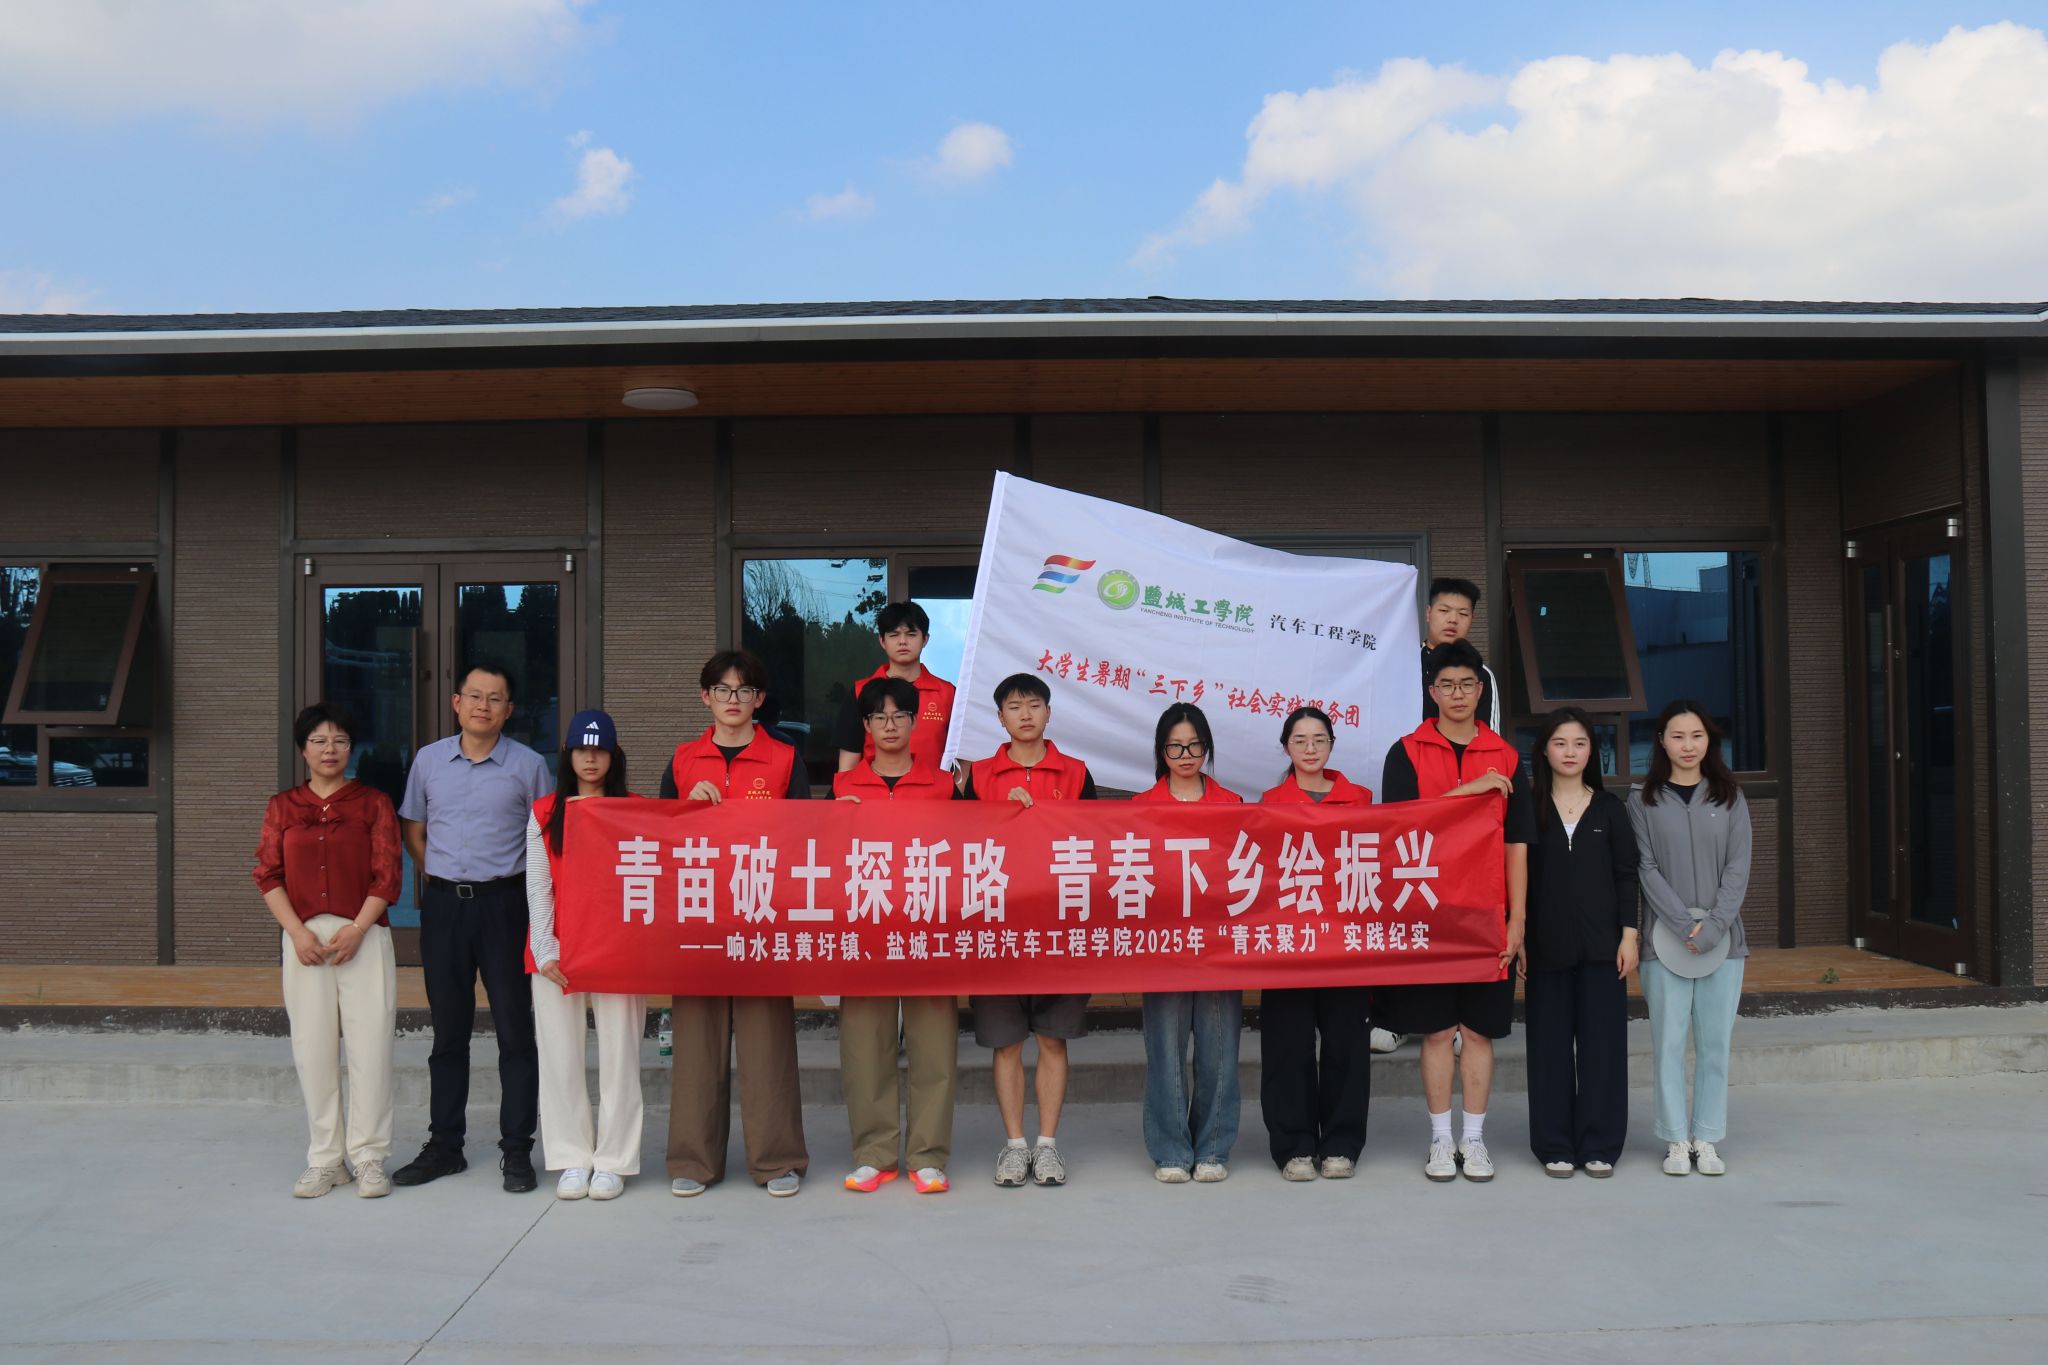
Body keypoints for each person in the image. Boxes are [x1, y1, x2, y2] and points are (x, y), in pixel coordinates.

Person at [392, 663, 554, 1192]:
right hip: (444, 909)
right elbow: (414, 828)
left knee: (515, 1031)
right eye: (475, 696)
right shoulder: (428, 760)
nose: (484, 706)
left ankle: (517, 1149)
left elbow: (546, 841)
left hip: (505, 907)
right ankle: (445, 1146)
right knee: (448, 1032)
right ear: (456, 702)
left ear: (509, 710)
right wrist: (441, 874)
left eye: (495, 698)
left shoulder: (529, 766)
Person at [1378, 640, 1532, 1184]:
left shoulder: (1506, 755)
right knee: (1438, 1031)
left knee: (1480, 1032)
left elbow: (1517, 843)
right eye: (1447, 685)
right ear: (1432, 691)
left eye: (1467, 684)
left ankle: (1475, 1139)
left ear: (1480, 689)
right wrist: (1472, 790)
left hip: (1487, 916)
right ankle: (1441, 1139)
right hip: (1429, 917)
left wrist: (1517, 922)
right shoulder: (1406, 752)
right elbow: (1399, 825)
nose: (1458, 694)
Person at [659, 649, 810, 1197]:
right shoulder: (682, 760)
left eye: (744, 690)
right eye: (722, 690)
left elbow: (804, 840)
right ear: (705, 697)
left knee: (768, 1046)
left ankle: (777, 1159)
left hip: (762, 917)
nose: (733, 699)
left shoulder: (785, 759)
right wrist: (687, 810)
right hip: (700, 919)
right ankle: (693, 1161)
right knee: (697, 1045)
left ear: (759, 699)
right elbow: (660, 841)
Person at [254, 702, 401, 1199]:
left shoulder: (373, 803)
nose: (329, 749)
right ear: (303, 749)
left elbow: (388, 875)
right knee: (312, 1049)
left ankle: (370, 1157)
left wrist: (358, 928)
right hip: (305, 942)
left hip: (364, 935)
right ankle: (325, 1160)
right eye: (319, 740)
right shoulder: (282, 807)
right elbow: (267, 873)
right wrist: (296, 933)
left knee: (371, 1049)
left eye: (339, 740)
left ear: (351, 748)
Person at [963, 672, 1097, 1187]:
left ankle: (1047, 1146)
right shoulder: (978, 777)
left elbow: (1096, 843)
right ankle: (1015, 1146)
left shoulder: (1076, 773)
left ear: (1049, 712)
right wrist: (1001, 817)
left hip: (1058, 932)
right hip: (998, 932)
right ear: (1000, 718)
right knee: (1006, 1045)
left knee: (1053, 1041)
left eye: (1034, 704)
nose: (1025, 714)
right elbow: (957, 845)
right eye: (1014, 707)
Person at [831, 676, 960, 1195]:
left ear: (914, 722)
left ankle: (927, 1155)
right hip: (865, 932)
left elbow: (974, 851)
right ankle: (874, 1154)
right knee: (866, 1046)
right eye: (879, 717)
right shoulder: (844, 789)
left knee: (934, 1047)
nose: (889, 725)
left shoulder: (944, 786)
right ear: (865, 726)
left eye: (899, 716)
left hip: (929, 930)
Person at [526, 709, 645, 1202]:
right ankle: (572, 1157)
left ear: (614, 756)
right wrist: (545, 947)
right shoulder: (545, 811)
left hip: (618, 951)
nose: (590, 759)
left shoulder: (634, 809)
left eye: (599, 750)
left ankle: (614, 1160)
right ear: (567, 755)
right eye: (581, 749)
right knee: (559, 1056)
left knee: (621, 1056)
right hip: (556, 952)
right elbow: (538, 884)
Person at [1629, 699, 1751, 1178]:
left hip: (1725, 944)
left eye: (1696, 736)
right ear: (1662, 741)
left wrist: (1715, 926)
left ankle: (1708, 1137)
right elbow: (1645, 867)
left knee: (1715, 1043)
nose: (1687, 745)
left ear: (1709, 740)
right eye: (1677, 736)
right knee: (1669, 1042)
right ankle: (1676, 1138)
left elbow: (1738, 867)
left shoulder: (1730, 796)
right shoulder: (1643, 799)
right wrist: (1683, 926)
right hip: (1663, 943)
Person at [1257, 706, 1375, 1182]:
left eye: (1319, 739)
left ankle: (1341, 1144)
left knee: (1347, 1045)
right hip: (1288, 944)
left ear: (1331, 745)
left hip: (1346, 944)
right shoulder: (1269, 802)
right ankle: (1294, 1147)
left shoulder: (1361, 799)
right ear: (1286, 747)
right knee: (1288, 1047)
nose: (1310, 748)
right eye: (1300, 740)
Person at [1523, 707, 1639, 1178]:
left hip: (1603, 950)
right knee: (1548, 1048)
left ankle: (1599, 1143)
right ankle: (1553, 1143)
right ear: (1544, 751)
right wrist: (1518, 937)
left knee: (1602, 1048)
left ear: (1592, 751)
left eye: (1579, 743)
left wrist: (1629, 935)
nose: (1569, 752)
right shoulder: (1529, 807)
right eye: (1560, 743)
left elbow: (1627, 874)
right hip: (1545, 947)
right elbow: (1514, 878)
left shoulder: (1610, 809)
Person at [1132, 703, 1244, 1184]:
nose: (1185, 756)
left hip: (1219, 948)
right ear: (1161, 751)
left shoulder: (1233, 804)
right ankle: (1171, 1151)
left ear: (1207, 748)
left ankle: (1213, 1147)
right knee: (1165, 1051)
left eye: (1194, 746)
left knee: (1219, 1050)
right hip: (1163, 948)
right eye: (1175, 747)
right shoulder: (1140, 807)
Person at [834, 601, 956, 774]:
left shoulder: (948, 694)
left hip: (933, 790)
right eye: (894, 634)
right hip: (875, 791)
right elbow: (848, 765)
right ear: (882, 641)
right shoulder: (861, 692)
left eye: (911, 634)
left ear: (925, 639)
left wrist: (953, 790)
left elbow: (962, 760)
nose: (903, 641)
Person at [1420, 577, 1501, 731]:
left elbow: (1489, 736)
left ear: (1472, 619)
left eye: (1463, 614)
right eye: (1444, 611)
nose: (1453, 620)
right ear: (1428, 613)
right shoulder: (1405, 664)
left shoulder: (1481, 674)